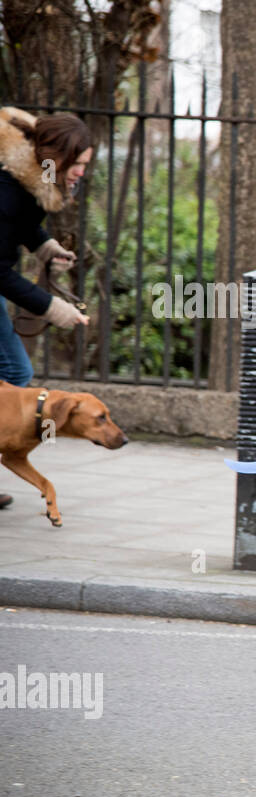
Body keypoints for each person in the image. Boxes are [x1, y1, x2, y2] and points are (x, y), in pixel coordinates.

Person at [0, 107, 92, 509]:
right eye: (79, 165)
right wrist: (53, 308)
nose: (82, 173)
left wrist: (45, 247)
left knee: (13, 371)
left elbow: (21, 224)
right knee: (15, 371)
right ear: (60, 157)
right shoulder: (6, 189)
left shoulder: (34, 180)